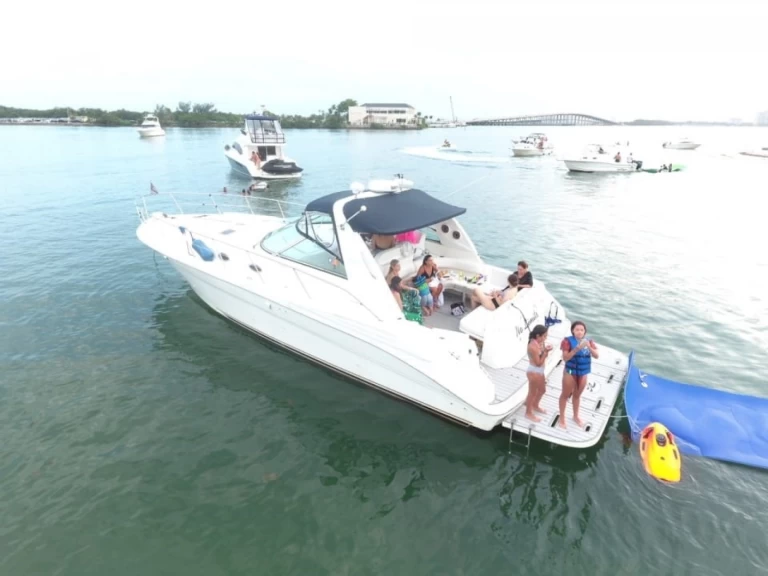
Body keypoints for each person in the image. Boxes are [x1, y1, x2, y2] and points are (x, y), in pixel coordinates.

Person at [558, 321, 599, 429]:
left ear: (585, 331)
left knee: (577, 395)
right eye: (577, 330)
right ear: (573, 331)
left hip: (583, 373)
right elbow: (565, 358)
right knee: (565, 395)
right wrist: (577, 348)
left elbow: (596, 355)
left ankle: (575, 416)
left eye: (582, 330)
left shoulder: (589, 341)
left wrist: (588, 347)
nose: (580, 332)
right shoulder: (567, 341)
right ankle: (562, 417)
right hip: (570, 372)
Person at [525, 325, 552, 422]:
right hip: (534, 371)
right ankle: (528, 412)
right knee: (532, 393)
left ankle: (535, 405)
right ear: (538, 336)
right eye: (544, 336)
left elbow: (542, 355)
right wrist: (545, 353)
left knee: (542, 390)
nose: (545, 338)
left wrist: (545, 350)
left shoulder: (539, 343)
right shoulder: (532, 346)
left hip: (540, 371)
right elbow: (538, 363)